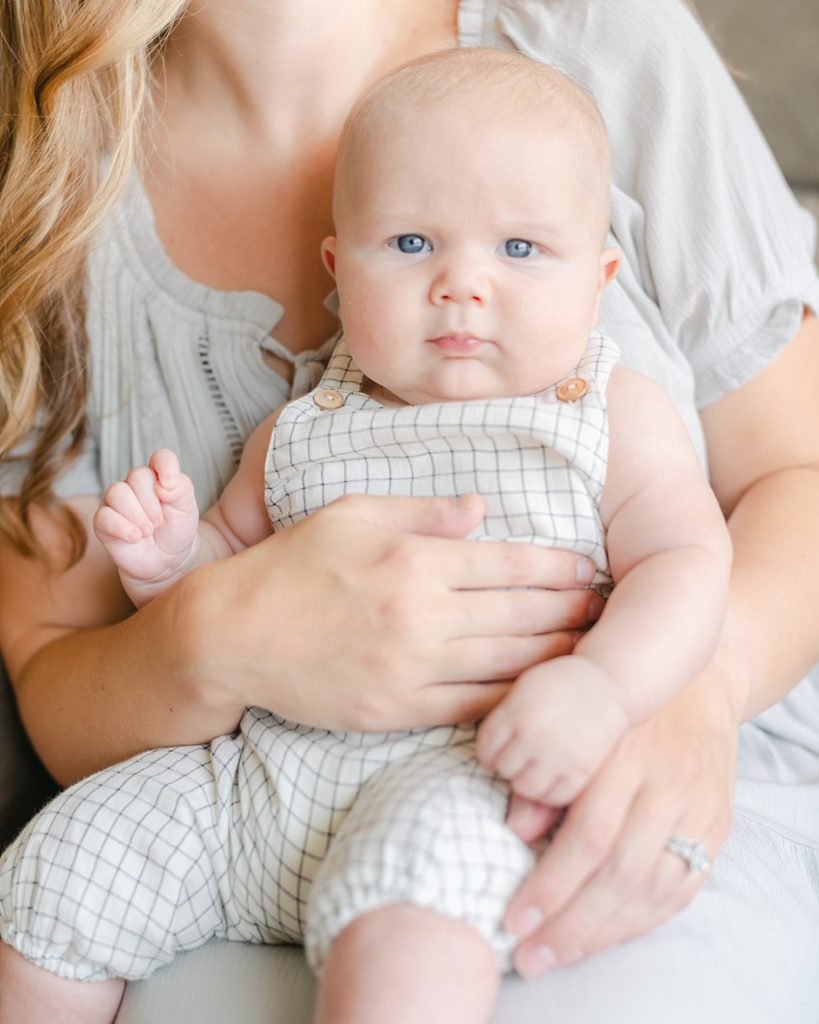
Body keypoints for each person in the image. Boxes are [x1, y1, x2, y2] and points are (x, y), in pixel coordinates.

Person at [0, 2, 817, 1023]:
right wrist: (185, 592)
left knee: (415, 931)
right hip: (257, 786)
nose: (463, 289)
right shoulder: (52, 168)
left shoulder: (592, 48)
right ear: (342, 271)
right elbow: (93, 649)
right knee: (49, 883)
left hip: (528, 772)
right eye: (412, 243)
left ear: (597, 279)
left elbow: (788, 478)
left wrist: (675, 685)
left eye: (521, 248)